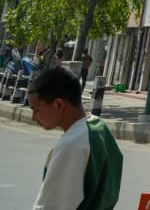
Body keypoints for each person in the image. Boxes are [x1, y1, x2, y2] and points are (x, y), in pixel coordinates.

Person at [28, 66, 122, 210]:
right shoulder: (100, 128)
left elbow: (51, 206)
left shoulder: (71, 146)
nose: (34, 117)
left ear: (58, 104)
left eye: (36, 110)